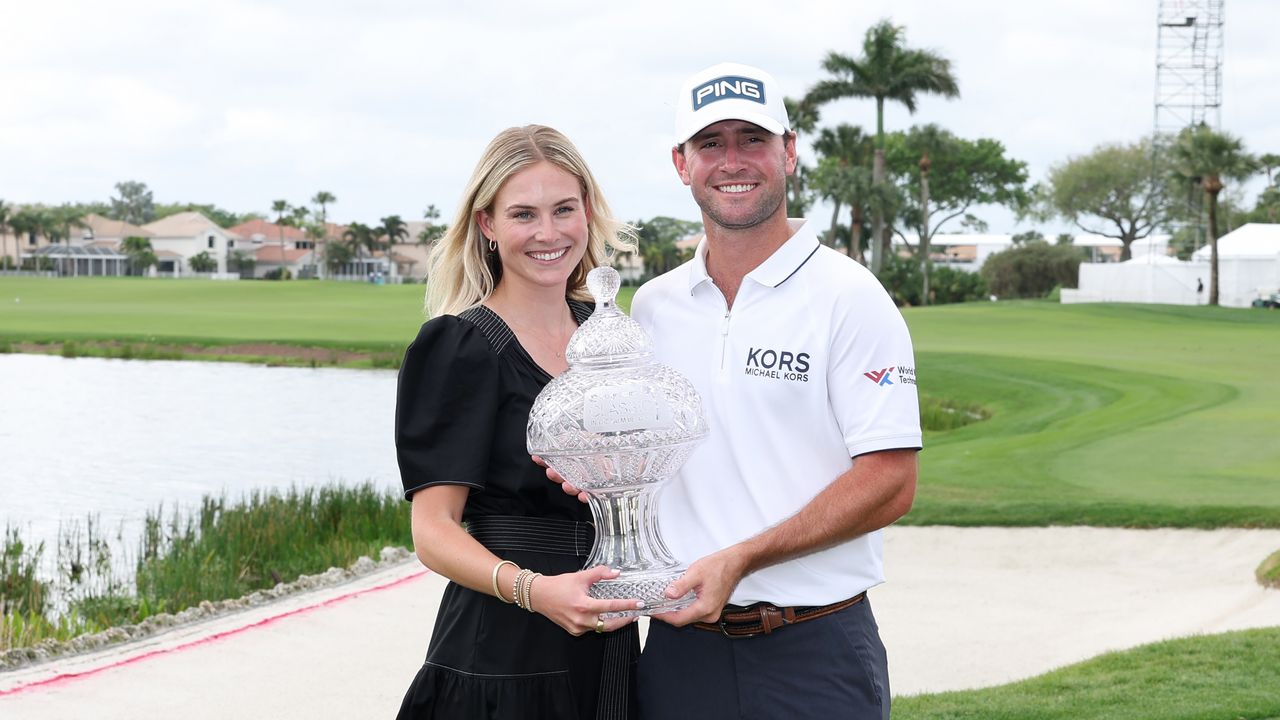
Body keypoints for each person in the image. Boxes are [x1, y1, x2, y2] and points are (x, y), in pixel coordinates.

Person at [561, 63, 922, 719]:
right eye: (710, 143)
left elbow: (891, 479)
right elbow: (644, 459)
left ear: (788, 151)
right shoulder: (656, 307)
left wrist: (745, 558)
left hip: (814, 649)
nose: (733, 161)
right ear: (681, 162)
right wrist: (596, 475)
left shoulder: (849, 297)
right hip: (680, 653)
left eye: (752, 139)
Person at [394, 125, 642, 720]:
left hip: (609, 645)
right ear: (487, 225)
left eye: (564, 209)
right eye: (523, 214)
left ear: (587, 212)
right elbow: (433, 530)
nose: (548, 233)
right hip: (502, 652)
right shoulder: (459, 346)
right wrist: (537, 591)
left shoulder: (610, 335)